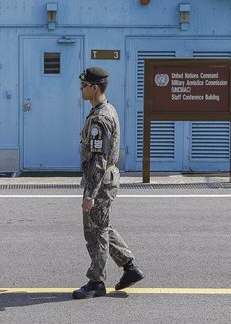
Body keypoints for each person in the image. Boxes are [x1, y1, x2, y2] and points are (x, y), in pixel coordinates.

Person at [73, 67, 145, 299]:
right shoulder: (106, 109)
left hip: (100, 180)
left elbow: (98, 158)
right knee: (101, 226)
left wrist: (90, 194)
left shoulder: (100, 118)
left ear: (95, 88)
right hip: (106, 177)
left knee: (94, 233)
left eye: (84, 86)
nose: (81, 89)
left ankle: (96, 282)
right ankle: (129, 266)